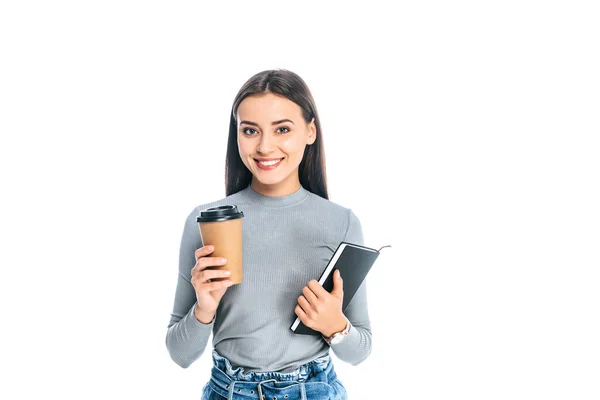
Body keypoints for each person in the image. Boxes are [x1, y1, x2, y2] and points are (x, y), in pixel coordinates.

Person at [165, 69, 372, 400]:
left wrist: (335, 326)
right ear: (237, 135)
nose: (264, 146)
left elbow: (360, 351)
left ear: (310, 131)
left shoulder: (341, 222)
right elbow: (180, 354)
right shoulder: (205, 222)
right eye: (250, 130)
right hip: (228, 390)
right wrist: (204, 308)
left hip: (313, 390)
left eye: (282, 129)